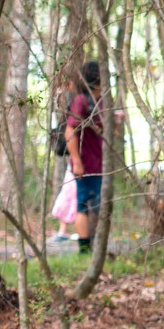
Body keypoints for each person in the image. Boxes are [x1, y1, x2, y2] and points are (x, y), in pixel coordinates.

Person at [64, 61, 106, 255]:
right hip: (86, 164)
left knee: (97, 205)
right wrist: (77, 162)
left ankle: (94, 245)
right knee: (84, 204)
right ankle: (84, 249)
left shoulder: (100, 102)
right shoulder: (81, 101)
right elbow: (70, 130)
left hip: (99, 164)